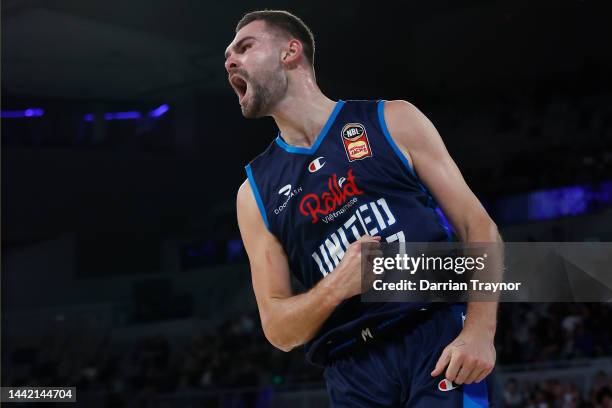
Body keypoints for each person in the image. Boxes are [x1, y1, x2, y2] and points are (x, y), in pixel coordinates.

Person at [228, 10, 501, 407]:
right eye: (227, 58)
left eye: (245, 47)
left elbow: (477, 225)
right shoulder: (253, 194)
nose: (231, 61)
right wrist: (337, 286)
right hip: (350, 370)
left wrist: (479, 331)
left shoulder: (393, 120)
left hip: (434, 338)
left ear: (290, 52)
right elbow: (279, 330)